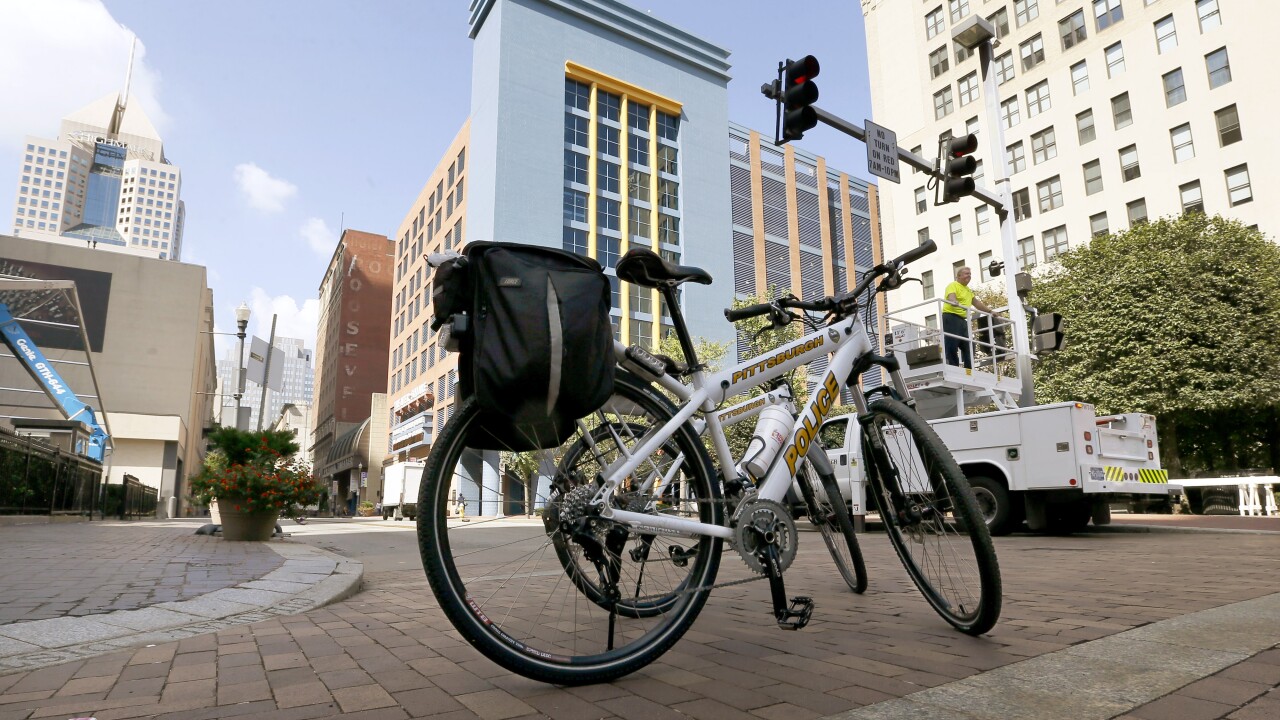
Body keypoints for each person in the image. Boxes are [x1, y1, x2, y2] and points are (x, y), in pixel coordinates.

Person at [942, 266, 995, 373]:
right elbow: (951, 296)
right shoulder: (953, 285)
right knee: (952, 344)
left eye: (970, 274)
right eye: (966, 273)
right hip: (951, 317)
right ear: (959, 276)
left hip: (962, 320)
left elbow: (977, 303)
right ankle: (954, 368)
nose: (969, 276)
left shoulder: (968, 290)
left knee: (969, 344)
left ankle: (969, 370)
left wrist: (990, 311)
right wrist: (954, 301)